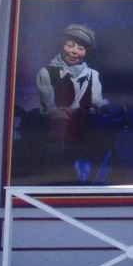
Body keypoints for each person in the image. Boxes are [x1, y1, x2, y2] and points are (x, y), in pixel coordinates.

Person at [35, 23, 111, 184]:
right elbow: (47, 110)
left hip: (87, 134)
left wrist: (107, 108)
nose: (75, 51)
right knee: (65, 175)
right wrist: (73, 113)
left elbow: (97, 102)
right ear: (62, 46)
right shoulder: (46, 73)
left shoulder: (93, 75)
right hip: (61, 133)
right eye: (70, 46)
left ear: (87, 52)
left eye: (81, 48)